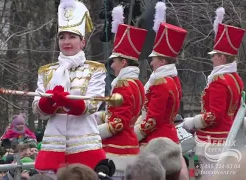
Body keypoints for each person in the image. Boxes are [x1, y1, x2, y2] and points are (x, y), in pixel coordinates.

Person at [32, 0, 107, 177]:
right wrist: (48, 102)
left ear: (82, 42)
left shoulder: (95, 69)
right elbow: (38, 110)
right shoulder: (46, 71)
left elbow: (93, 104)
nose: (66, 41)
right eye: (62, 37)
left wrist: (67, 102)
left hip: (84, 146)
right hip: (54, 147)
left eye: (72, 37)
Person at [182, 7, 245, 176]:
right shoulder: (236, 79)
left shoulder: (219, 82)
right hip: (227, 136)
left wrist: (192, 122)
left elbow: (214, 116)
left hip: (212, 141)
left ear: (222, 58)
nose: (211, 58)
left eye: (214, 55)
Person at [95, 5, 147, 178]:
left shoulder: (123, 85)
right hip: (130, 145)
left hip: (117, 150)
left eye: (115, 61)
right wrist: (98, 116)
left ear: (123, 63)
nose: (112, 65)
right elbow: (121, 114)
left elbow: (118, 122)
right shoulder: (137, 83)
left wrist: (94, 132)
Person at [133, 1, 187, 148]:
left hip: (156, 142)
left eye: (154, 60)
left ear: (162, 61)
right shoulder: (173, 80)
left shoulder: (161, 83)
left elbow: (153, 120)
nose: (151, 63)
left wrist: (133, 136)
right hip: (168, 136)